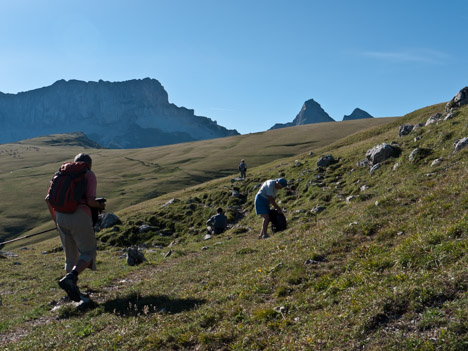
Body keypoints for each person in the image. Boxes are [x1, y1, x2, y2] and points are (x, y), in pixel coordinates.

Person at [45, 153, 106, 302]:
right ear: (89, 164)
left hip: (60, 216)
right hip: (78, 215)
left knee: (70, 256)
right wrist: (100, 205)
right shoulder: (88, 174)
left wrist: (56, 222)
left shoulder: (61, 174)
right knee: (88, 253)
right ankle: (71, 278)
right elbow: (91, 201)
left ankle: (73, 293)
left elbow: (48, 199)